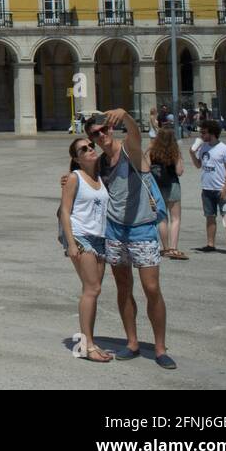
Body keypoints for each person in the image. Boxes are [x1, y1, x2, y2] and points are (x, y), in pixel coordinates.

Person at [81, 110, 174, 369]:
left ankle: (160, 347)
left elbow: (134, 135)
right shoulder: (100, 163)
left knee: (152, 288)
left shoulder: (129, 152)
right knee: (123, 288)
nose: (101, 136)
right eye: (94, 135)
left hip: (142, 229)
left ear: (111, 128)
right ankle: (132, 342)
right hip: (115, 231)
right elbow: (86, 183)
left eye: (104, 130)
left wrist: (126, 116)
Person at [59, 136, 113, 362]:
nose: (90, 149)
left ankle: (89, 341)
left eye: (91, 146)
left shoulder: (100, 178)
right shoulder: (74, 178)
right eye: (84, 149)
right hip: (81, 237)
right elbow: (65, 211)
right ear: (76, 158)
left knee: (94, 289)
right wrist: (71, 243)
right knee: (91, 289)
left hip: (100, 237)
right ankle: (86, 346)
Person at [194, 119, 226, 257]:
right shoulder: (203, 147)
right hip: (207, 189)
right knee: (210, 217)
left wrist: (225, 187)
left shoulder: (225, 149)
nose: (201, 135)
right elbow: (199, 165)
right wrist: (192, 153)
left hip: (222, 189)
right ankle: (210, 244)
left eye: (203, 132)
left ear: (213, 133)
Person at [148, 125, 187, 260]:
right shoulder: (174, 151)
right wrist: (180, 157)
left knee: (162, 218)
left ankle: (164, 248)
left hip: (157, 187)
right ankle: (173, 248)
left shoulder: (152, 151)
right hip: (172, 185)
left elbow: (146, 168)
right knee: (175, 218)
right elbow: (179, 171)